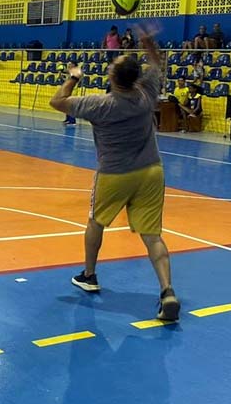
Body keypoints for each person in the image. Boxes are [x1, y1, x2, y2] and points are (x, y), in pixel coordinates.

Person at [49, 26, 179, 322]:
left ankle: (90, 274)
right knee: (152, 235)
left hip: (114, 174)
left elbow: (57, 102)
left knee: (96, 222)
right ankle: (167, 290)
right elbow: (158, 65)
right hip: (150, 171)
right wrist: (149, 45)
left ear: (112, 78)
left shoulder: (99, 104)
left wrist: (73, 78)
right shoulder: (147, 93)